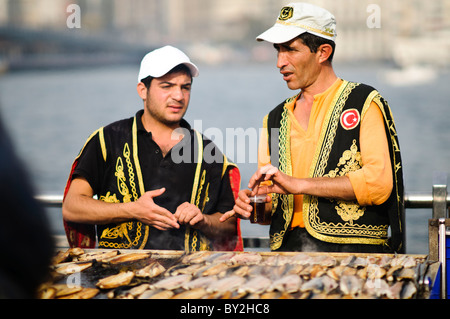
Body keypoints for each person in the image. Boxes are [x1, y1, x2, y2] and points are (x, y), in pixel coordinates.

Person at [223, 3, 404, 253]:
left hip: (355, 256)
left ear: (322, 52)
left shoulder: (363, 103)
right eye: (278, 51)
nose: (279, 62)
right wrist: (254, 203)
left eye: (290, 50)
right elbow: (272, 205)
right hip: (288, 255)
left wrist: (300, 184)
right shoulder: (274, 119)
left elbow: (379, 184)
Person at [62, 45, 242, 252]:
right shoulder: (107, 140)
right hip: (118, 275)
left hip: (190, 279)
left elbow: (228, 225)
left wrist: (203, 220)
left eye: (186, 87)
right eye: (167, 86)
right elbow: (72, 206)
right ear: (142, 90)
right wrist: (132, 210)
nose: (179, 96)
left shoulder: (207, 151)